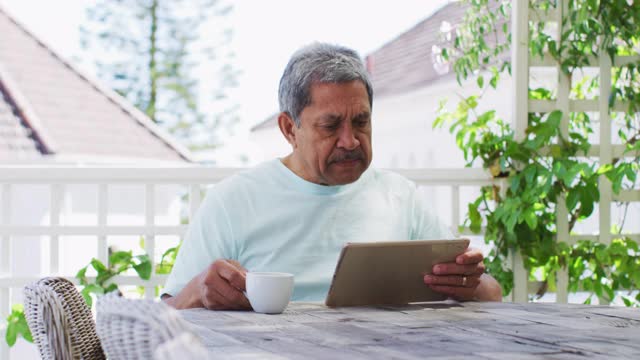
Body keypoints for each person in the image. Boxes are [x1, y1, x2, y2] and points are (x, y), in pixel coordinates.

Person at [162, 43, 502, 310]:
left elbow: (492, 293)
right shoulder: (233, 200)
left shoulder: (399, 196)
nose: (350, 141)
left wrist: (470, 285)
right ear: (289, 129)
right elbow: (167, 312)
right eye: (330, 125)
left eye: (361, 122)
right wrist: (196, 293)